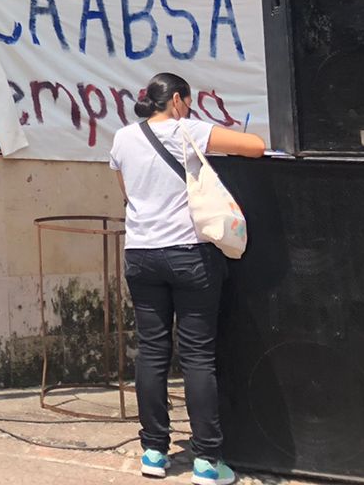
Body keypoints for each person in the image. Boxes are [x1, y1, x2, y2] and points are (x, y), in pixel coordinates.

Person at [108, 72, 265, 484]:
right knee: (197, 357)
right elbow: (256, 147)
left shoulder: (122, 138)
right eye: (188, 102)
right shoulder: (186, 129)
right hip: (189, 255)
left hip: (141, 255)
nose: (190, 109)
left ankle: (154, 452)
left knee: (152, 353)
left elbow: (128, 193)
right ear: (177, 100)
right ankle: (207, 461)